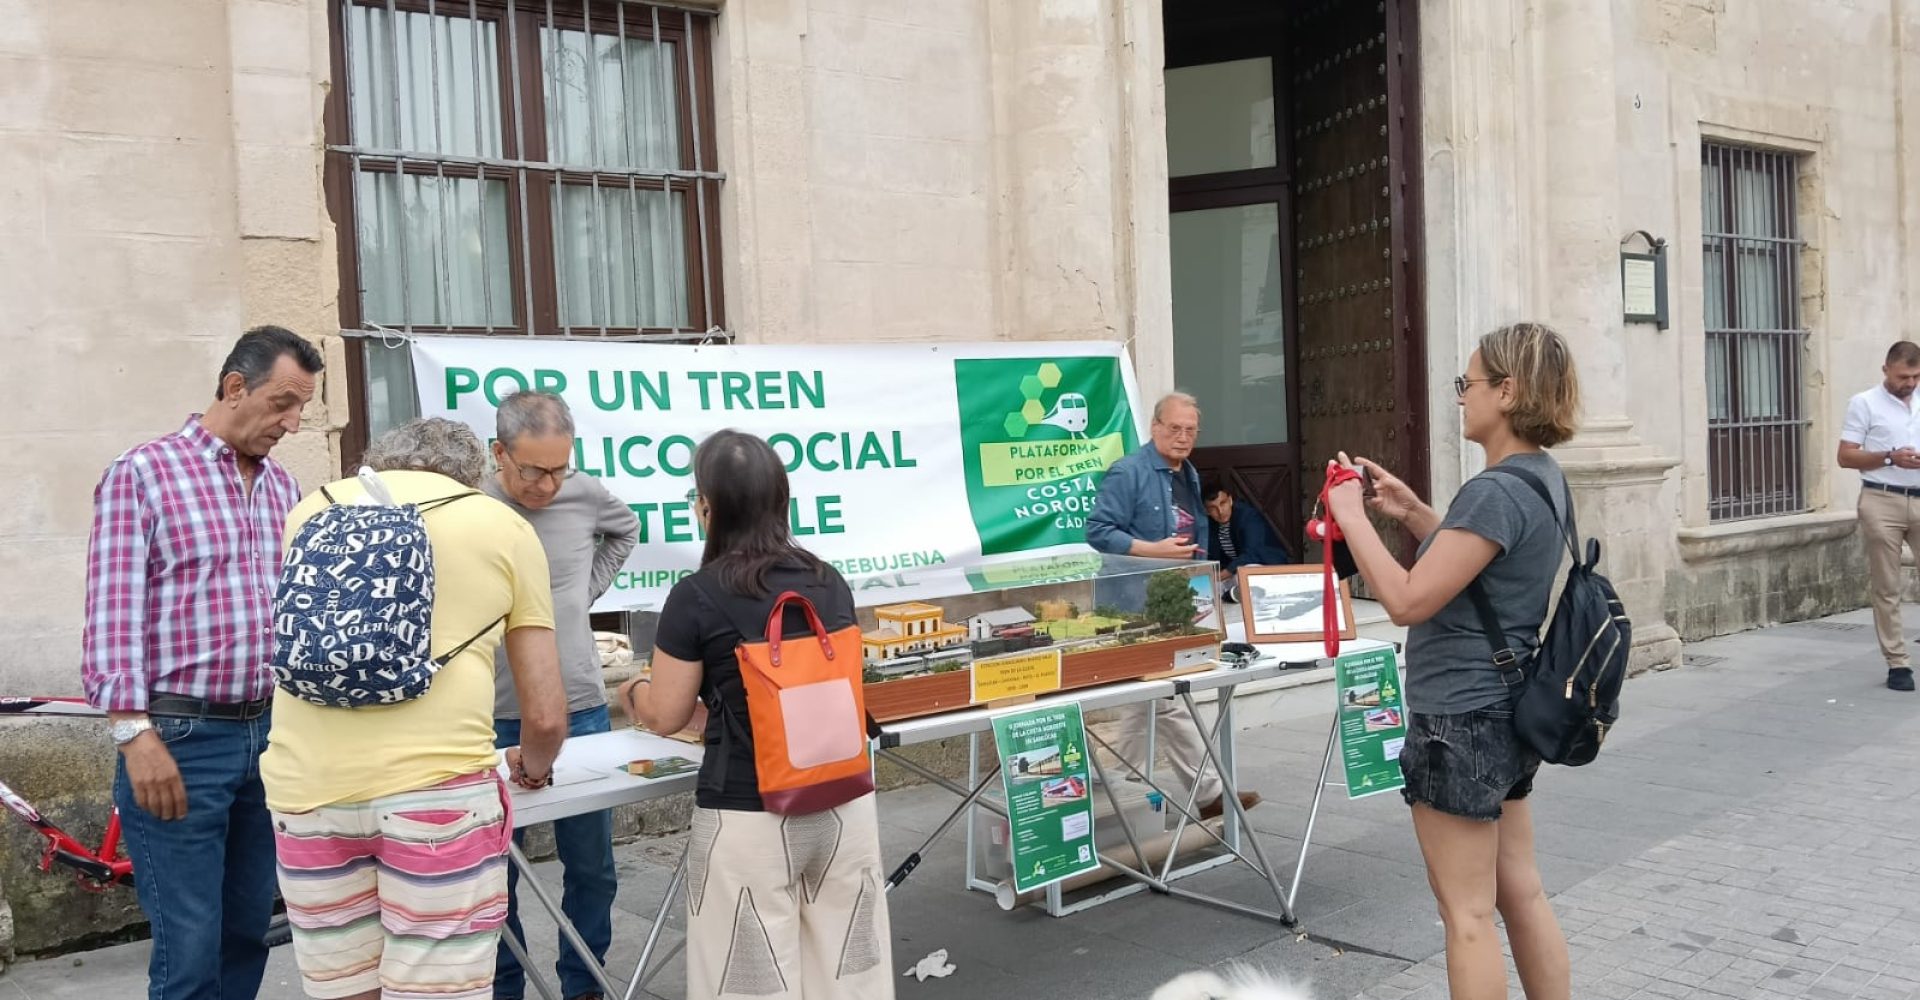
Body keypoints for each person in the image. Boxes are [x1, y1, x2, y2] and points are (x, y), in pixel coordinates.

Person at [261, 418, 568, 1000]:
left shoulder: (311, 509)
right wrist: (531, 766)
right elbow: (547, 713)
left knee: (343, 988)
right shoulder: (500, 524)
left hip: (305, 795)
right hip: (438, 797)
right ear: (474, 473)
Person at [1325, 322, 1575, 1000]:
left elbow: (1407, 599)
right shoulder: (1541, 480)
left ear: (1508, 389)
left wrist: (1350, 516)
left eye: (1467, 383)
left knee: (1465, 915)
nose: (1460, 397)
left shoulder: (1494, 489)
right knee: (1521, 891)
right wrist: (1412, 514)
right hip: (1507, 707)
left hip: (1459, 719)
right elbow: (1480, 563)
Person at [81, 325, 322, 1000]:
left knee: (248, 931)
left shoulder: (283, 487)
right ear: (233, 386)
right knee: (189, 949)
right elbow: (111, 614)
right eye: (282, 403)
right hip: (181, 741)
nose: (293, 421)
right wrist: (134, 735)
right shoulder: (144, 474)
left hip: (270, 737)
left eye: (300, 407)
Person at [618, 430, 894, 1000]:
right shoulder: (828, 580)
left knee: (748, 981)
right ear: (781, 502)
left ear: (707, 508)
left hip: (749, 813)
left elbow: (666, 715)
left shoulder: (697, 594)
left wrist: (636, 689)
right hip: (844, 801)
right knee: (851, 974)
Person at [483, 392, 640, 1000]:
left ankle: (586, 984)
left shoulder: (585, 492)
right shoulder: (472, 503)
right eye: (533, 470)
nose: (549, 484)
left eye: (559, 468)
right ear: (499, 454)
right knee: (494, 869)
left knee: (592, 864)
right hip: (493, 711)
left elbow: (625, 532)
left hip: (579, 704)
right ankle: (504, 988)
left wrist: (577, 598)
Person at [1085, 393, 1261, 820]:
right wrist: (1151, 550)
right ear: (1156, 427)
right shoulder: (1128, 472)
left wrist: (1203, 592)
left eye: (1191, 430)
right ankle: (1208, 793)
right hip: (1133, 605)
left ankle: (1108, 789)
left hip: (1177, 600)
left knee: (1144, 702)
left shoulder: (1191, 474)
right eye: (1175, 428)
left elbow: (1193, 536)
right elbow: (1097, 530)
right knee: (1169, 699)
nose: (1183, 437)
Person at [1837, 340, 1920, 692]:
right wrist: (1889, 457)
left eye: (1916, 376)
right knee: (1887, 585)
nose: (1910, 383)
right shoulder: (1864, 403)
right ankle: (1897, 663)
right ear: (1886, 369)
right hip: (1881, 499)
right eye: (1904, 376)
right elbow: (1846, 456)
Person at [1199, 476, 1292, 600]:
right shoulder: (1209, 525)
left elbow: (1252, 553)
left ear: (1230, 500)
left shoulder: (1248, 517)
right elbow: (1211, 557)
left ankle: (1235, 594)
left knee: (1247, 575)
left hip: (1263, 566)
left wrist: (1221, 575)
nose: (1220, 511)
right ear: (1206, 511)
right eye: (1213, 508)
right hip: (1234, 571)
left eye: (1223, 503)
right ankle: (1233, 594)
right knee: (1205, 589)